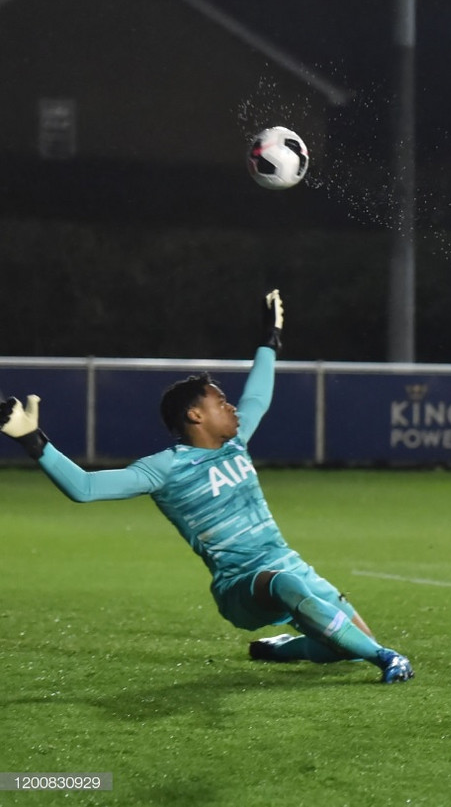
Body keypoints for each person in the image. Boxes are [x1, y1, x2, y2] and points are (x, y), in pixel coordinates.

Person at [0, 291, 415, 682]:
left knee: (349, 642)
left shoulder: (235, 443)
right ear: (195, 415)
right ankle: (386, 659)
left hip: (288, 563)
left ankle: (280, 649)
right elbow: (85, 487)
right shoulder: (164, 468)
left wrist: (271, 339)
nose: (232, 406)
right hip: (240, 585)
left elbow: (258, 397)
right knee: (310, 605)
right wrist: (32, 440)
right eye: (221, 402)